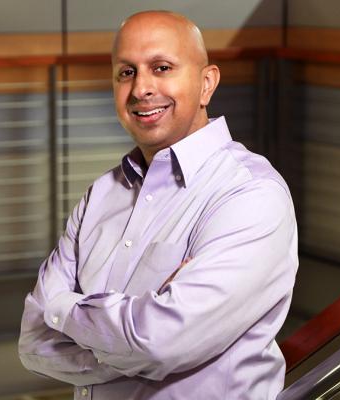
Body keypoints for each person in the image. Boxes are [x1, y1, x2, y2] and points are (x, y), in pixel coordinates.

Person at [18, 10, 298, 400]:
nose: (141, 89)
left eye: (162, 67)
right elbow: (34, 342)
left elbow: (161, 343)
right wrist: (132, 336)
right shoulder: (101, 194)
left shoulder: (250, 194)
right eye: (126, 72)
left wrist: (64, 309)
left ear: (206, 84)